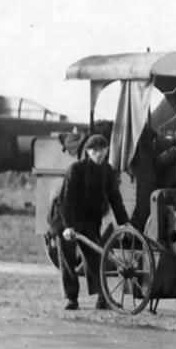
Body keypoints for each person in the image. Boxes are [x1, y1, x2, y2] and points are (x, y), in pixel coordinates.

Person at [57, 133, 131, 311]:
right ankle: (72, 299)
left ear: (107, 151)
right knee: (67, 258)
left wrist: (124, 222)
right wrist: (68, 227)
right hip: (65, 218)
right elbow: (66, 200)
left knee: (95, 258)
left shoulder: (108, 172)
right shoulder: (76, 169)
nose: (99, 154)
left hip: (90, 220)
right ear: (88, 152)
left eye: (102, 150)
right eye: (94, 151)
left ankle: (102, 298)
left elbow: (115, 198)